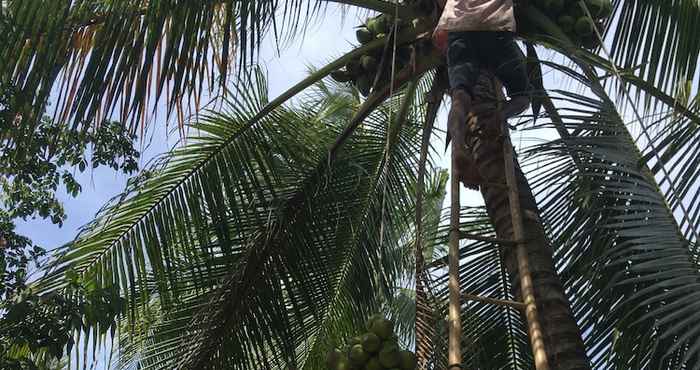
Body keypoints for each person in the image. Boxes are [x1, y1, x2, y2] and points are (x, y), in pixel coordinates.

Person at [432, 0, 530, 188]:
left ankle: (459, 146)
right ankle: (497, 118)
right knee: (522, 97)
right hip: (495, 28)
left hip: (459, 28)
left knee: (460, 97)